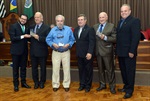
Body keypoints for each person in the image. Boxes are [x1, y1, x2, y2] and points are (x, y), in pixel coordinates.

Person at [116, 4, 141, 99]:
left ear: (129, 11)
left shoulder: (135, 21)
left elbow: (136, 37)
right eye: (122, 11)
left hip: (129, 52)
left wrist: (132, 50)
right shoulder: (120, 22)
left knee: (130, 72)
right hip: (121, 52)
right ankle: (126, 87)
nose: (123, 13)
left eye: (125, 11)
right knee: (124, 71)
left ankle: (130, 90)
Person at [46, 15, 75, 92]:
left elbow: (72, 40)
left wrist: (69, 44)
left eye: (61, 21)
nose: (60, 22)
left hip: (66, 52)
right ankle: (55, 84)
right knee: (55, 69)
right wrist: (52, 44)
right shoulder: (52, 30)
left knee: (66, 69)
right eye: (58, 21)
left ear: (63, 21)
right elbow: (47, 39)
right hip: (56, 52)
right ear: (56, 22)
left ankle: (66, 84)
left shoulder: (68, 29)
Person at [93, 12, 116, 94]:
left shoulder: (111, 26)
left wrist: (105, 37)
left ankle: (112, 86)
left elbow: (114, 38)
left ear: (106, 18)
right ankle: (102, 84)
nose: (101, 19)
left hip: (107, 52)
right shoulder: (95, 27)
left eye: (103, 17)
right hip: (98, 52)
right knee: (100, 70)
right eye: (100, 17)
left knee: (110, 70)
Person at [8, 14, 31, 92]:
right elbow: (13, 38)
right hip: (15, 51)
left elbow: (28, 38)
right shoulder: (13, 26)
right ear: (19, 18)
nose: (23, 20)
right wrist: (23, 36)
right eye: (22, 19)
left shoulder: (27, 27)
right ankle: (16, 85)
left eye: (25, 19)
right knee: (15, 69)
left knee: (23, 68)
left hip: (24, 51)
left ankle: (23, 83)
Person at [74, 14, 95, 92]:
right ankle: (82, 84)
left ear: (85, 21)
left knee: (88, 70)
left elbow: (92, 42)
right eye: (78, 20)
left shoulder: (90, 29)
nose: (80, 21)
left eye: (81, 19)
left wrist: (90, 52)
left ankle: (88, 85)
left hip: (87, 54)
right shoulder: (76, 29)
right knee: (81, 70)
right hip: (79, 54)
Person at [30, 12, 50, 89]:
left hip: (42, 51)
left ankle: (42, 82)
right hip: (33, 51)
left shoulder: (46, 27)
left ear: (42, 18)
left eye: (38, 17)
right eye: (35, 17)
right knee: (34, 68)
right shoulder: (31, 27)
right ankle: (36, 82)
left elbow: (48, 39)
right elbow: (30, 38)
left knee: (43, 68)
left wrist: (38, 37)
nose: (36, 19)